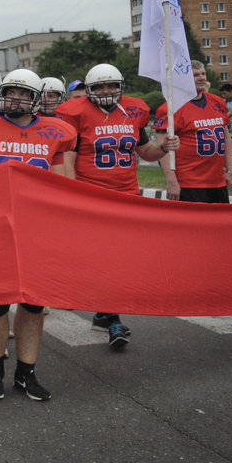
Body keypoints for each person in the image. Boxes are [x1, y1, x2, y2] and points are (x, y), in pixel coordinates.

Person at [0, 69, 76, 401]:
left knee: (34, 305)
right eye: (10, 91)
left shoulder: (57, 131)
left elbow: (61, 185)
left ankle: (26, 373)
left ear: (37, 99)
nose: (15, 98)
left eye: (23, 94)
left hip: (38, 231)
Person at [58, 63, 179, 351]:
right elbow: (69, 161)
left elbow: (145, 153)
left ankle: (103, 312)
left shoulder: (134, 109)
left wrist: (164, 148)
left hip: (127, 194)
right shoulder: (74, 113)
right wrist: (75, 198)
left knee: (123, 259)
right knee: (105, 260)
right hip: (94, 197)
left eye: (111, 85)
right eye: (99, 86)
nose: (106, 91)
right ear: (88, 90)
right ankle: (112, 318)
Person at [154, 61, 232, 203]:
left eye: (203, 73)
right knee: (196, 225)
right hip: (190, 183)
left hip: (217, 181)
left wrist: (230, 170)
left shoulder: (217, 101)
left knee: (220, 224)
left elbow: (225, 136)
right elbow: (163, 150)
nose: (202, 78)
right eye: (195, 75)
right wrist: (172, 181)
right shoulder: (170, 108)